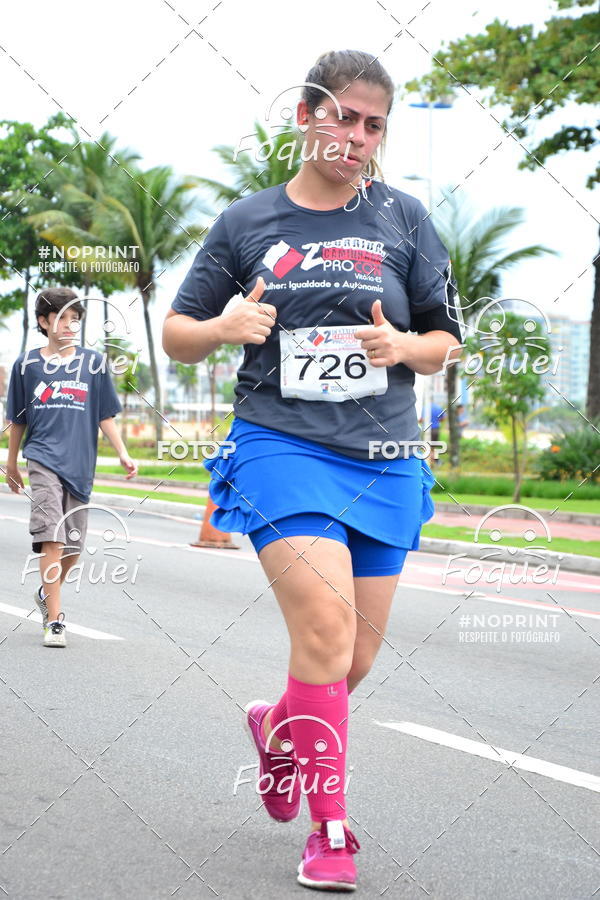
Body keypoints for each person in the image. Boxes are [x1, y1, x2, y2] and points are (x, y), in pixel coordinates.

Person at [163, 49, 462, 893]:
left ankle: (278, 725)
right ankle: (332, 830)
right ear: (305, 114)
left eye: (374, 125)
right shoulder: (248, 221)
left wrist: (404, 345)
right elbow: (178, 332)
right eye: (343, 117)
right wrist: (225, 327)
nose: (357, 137)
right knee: (325, 634)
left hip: (385, 457)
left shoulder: (403, 218)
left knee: (351, 662)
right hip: (280, 445)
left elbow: (444, 341)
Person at [5, 287, 138, 647]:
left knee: (74, 549)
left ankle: (47, 594)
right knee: (52, 535)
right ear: (44, 322)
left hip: (80, 466)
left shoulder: (93, 363)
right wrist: (12, 461)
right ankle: (56, 622)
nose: (68, 325)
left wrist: (123, 452)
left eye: (74, 319)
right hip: (42, 458)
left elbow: (104, 415)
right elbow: (17, 419)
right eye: (61, 318)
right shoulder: (26, 365)